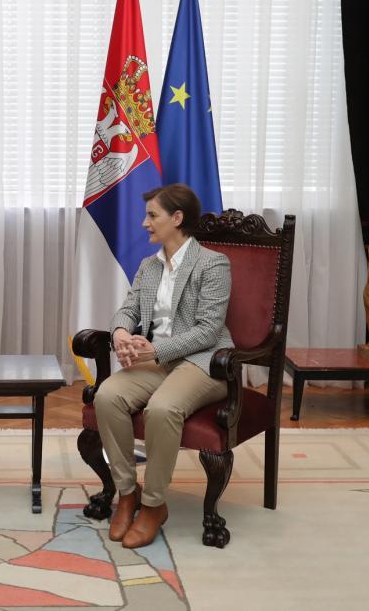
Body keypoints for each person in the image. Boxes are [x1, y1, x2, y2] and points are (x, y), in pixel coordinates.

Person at [94, 183, 233, 549]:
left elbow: (208, 330)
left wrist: (154, 350)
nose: (144, 223)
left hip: (204, 363)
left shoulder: (213, 263)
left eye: (152, 215)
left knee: (162, 408)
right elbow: (129, 307)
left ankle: (154, 506)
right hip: (157, 360)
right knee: (107, 396)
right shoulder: (148, 266)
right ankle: (127, 494)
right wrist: (122, 332)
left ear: (177, 218)